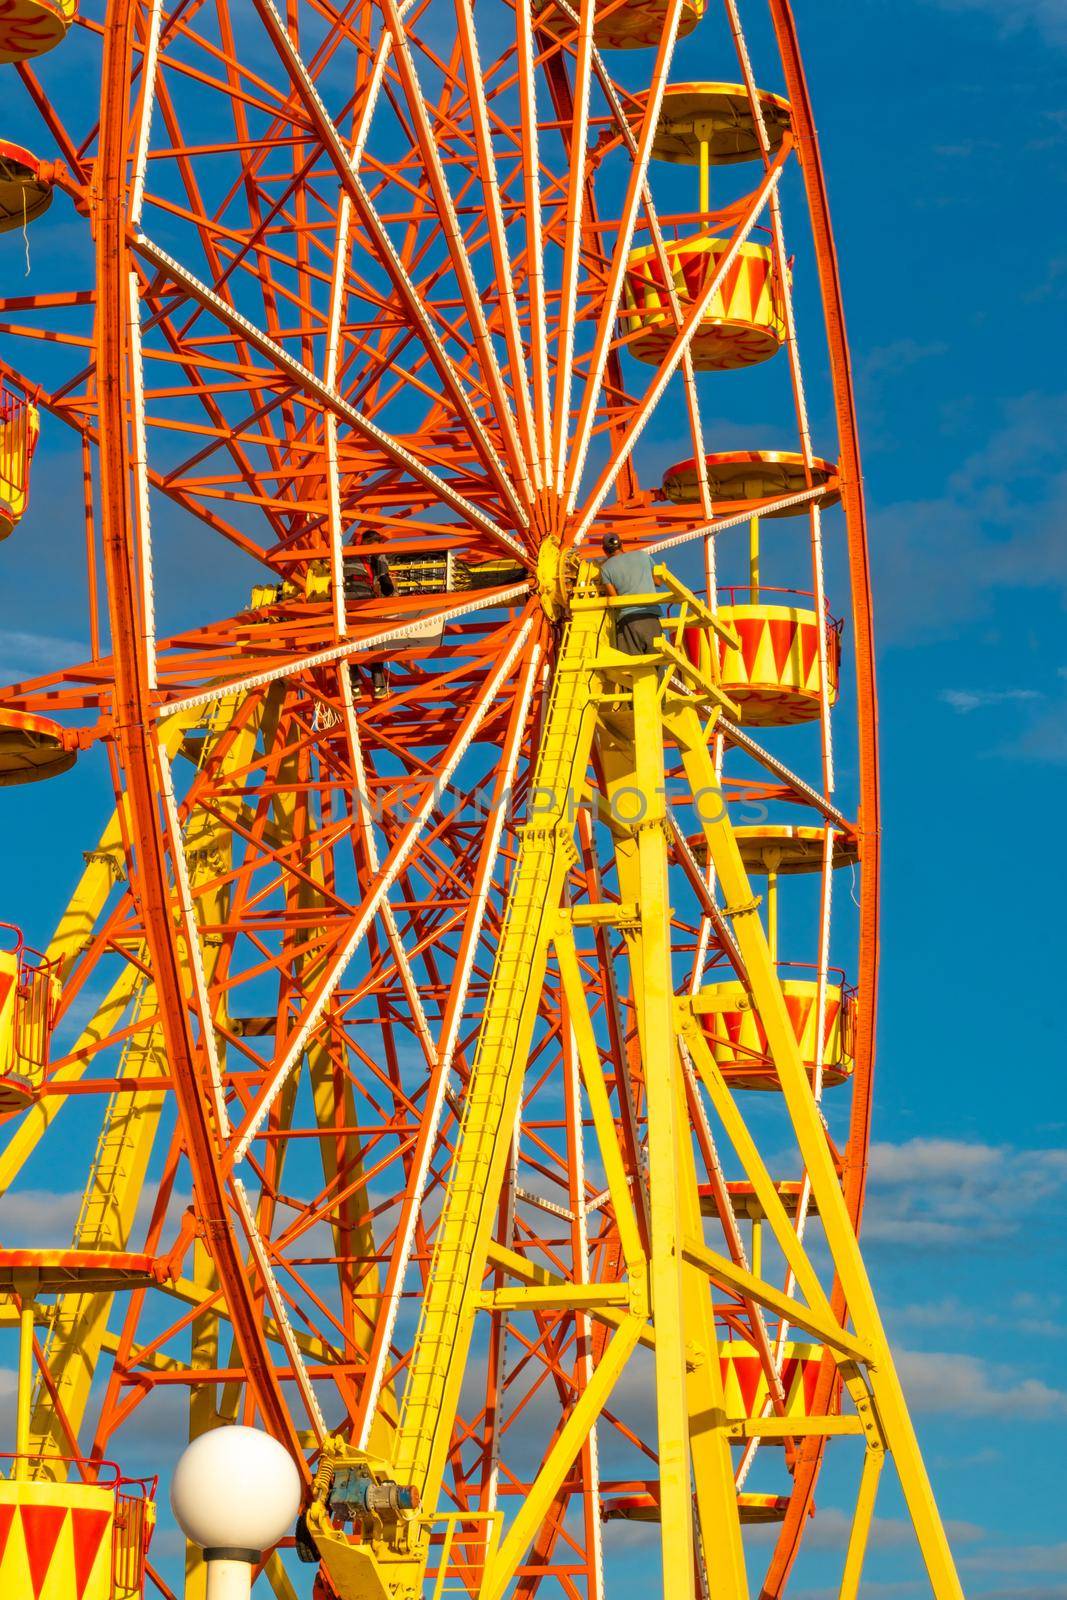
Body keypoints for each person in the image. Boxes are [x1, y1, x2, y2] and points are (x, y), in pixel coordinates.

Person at [344, 530, 395, 700]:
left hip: (345, 597)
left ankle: (354, 686)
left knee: (349, 643)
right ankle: (379, 686)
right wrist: (387, 587)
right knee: (375, 640)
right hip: (363, 596)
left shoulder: (345, 549)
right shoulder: (375, 552)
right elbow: (384, 578)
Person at [598, 533, 665, 657]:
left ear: (604, 550)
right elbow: (658, 581)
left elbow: (614, 598)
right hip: (650, 617)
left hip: (628, 621)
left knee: (631, 671)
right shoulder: (643, 555)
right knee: (656, 664)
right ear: (622, 544)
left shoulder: (605, 569)